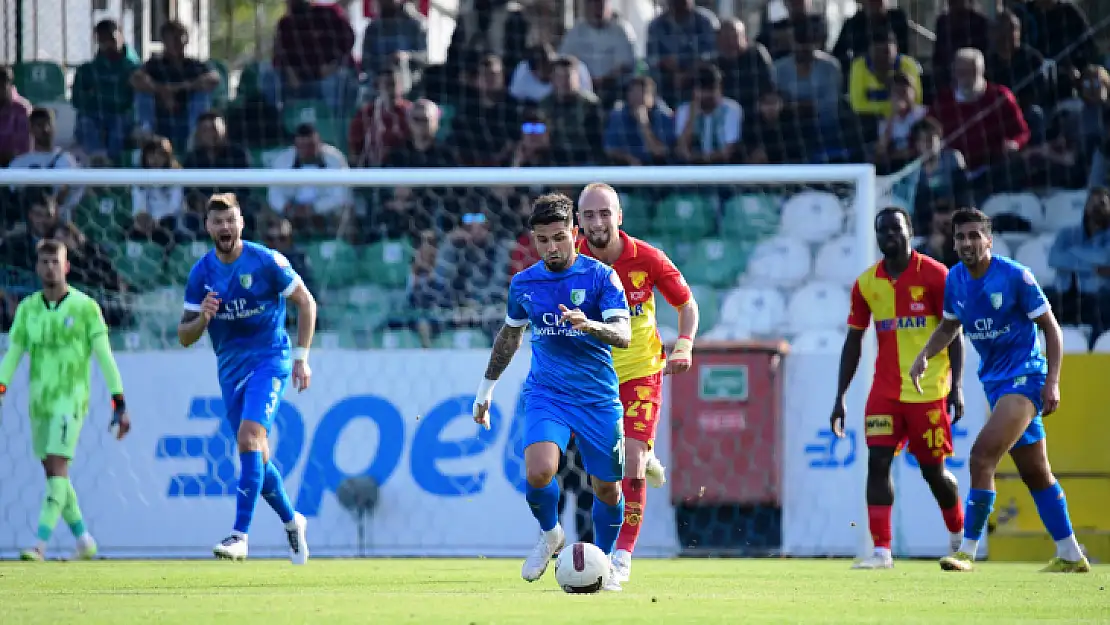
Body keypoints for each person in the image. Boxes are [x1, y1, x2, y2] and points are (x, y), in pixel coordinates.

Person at [909, 208, 1090, 573]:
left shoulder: (1014, 276)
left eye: (975, 235)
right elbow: (949, 326)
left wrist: (1052, 380)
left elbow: (1051, 329)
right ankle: (1071, 553)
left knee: (981, 457)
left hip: (1027, 378)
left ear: (989, 240)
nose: (967, 243)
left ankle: (968, 550)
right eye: (961, 237)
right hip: (995, 382)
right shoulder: (956, 280)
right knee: (1036, 473)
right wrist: (923, 356)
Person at [471, 193, 630, 591]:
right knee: (539, 469)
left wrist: (589, 325)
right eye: (543, 240)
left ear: (575, 233)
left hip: (596, 396)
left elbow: (623, 334)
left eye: (559, 237)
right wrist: (485, 389)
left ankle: (607, 563)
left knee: (607, 488)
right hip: (548, 393)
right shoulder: (524, 284)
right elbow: (509, 337)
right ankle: (550, 534)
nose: (552, 247)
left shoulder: (600, 277)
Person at [177, 193, 318, 564]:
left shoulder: (266, 261)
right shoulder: (201, 274)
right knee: (257, 453)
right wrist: (203, 318)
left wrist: (302, 358)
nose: (224, 227)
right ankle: (292, 521)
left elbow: (306, 302)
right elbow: (184, 336)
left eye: (231, 220)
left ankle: (240, 535)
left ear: (241, 224)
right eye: (217, 221)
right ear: (208, 227)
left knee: (249, 437)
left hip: (271, 360)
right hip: (230, 370)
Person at [575, 183, 699, 582]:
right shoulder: (570, 261)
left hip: (642, 370)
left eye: (605, 213)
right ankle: (644, 456)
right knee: (605, 477)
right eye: (589, 215)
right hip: (593, 378)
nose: (598, 222)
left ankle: (623, 556)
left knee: (629, 459)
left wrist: (684, 344)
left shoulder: (647, 258)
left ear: (620, 216)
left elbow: (687, 303)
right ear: (579, 221)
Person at [831, 207, 965, 569]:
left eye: (895, 227)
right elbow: (853, 342)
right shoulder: (866, 284)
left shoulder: (937, 275)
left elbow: (954, 334)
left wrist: (957, 387)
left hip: (928, 391)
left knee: (933, 472)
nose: (888, 234)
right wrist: (840, 396)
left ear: (909, 230)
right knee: (877, 463)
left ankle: (958, 537)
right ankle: (882, 551)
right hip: (885, 393)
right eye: (882, 230)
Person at [0, 239, 130, 561]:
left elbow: (105, 357)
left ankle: (39, 546)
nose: (49, 268)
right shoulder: (28, 309)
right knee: (55, 475)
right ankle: (84, 540)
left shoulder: (86, 308)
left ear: (67, 266)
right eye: (44, 262)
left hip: (70, 401)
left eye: (55, 262)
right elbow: (13, 354)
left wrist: (119, 403)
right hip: (39, 403)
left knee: (57, 468)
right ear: (36, 267)